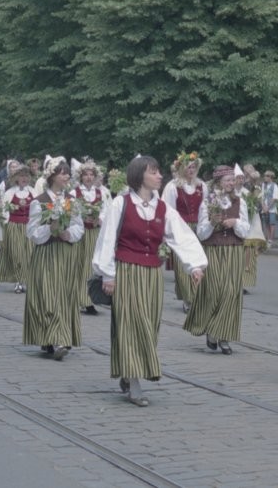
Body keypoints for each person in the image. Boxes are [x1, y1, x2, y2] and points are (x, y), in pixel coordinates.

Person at [94, 156, 207, 406]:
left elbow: (181, 236)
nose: (159, 176)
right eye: (153, 172)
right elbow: (107, 238)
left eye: (158, 172)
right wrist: (108, 274)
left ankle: (129, 371)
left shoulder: (163, 208)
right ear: (139, 176)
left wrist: (194, 265)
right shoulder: (121, 203)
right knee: (133, 324)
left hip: (152, 275)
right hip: (127, 272)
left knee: (150, 324)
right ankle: (134, 384)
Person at [185, 165, 249, 354]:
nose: (231, 183)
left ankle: (223, 336)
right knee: (213, 292)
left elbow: (246, 230)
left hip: (233, 251)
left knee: (230, 293)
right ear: (218, 183)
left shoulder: (240, 202)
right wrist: (212, 223)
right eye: (227, 180)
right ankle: (212, 331)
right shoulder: (207, 203)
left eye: (232, 180)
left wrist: (235, 222)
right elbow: (201, 233)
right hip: (212, 251)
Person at [24, 158, 84, 360]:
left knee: (64, 295)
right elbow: (32, 232)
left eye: (67, 173)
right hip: (47, 253)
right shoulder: (39, 201)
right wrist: (50, 228)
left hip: (66, 254)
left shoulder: (71, 200)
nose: (66, 176)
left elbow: (78, 226)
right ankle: (53, 338)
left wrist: (69, 234)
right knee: (49, 295)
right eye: (62, 173)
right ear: (52, 176)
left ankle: (61, 338)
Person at [161, 151, 205, 312]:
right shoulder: (173, 186)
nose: (191, 170)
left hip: (198, 228)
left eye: (193, 167)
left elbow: (205, 208)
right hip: (180, 228)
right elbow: (167, 210)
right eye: (188, 167)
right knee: (183, 264)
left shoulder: (201, 186)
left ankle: (198, 297)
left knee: (198, 262)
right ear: (181, 169)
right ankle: (189, 299)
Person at [71, 159, 111, 315]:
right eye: (85, 174)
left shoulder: (101, 193)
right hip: (80, 234)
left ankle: (88, 299)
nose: (88, 177)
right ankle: (78, 298)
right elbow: (71, 211)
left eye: (91, 174)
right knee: (79, 264)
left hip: (94, 233)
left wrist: (99, 219)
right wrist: (81, 218)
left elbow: (106, 210)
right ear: (81, 177)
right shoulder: (74, 193)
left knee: (91, 265)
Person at [0, 165, 35, 294]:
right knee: (17, 254)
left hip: (29, 227)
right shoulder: (9, 193)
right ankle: (18, 281)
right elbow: (3, 211)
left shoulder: (33, 192)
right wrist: (5, 222)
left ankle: (27, 279)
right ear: (16, 178)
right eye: (21, 176)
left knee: (29, 254)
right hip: (14, 226)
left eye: (26, 176)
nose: (24, 178)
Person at [261, 170, 278, 243]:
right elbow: (262, 196)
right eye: (264, 176)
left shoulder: (275, 186)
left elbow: (275, 198)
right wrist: (263, 206)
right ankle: (268, 237)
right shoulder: (264, 185)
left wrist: (268, 208)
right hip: (264, 207)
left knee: (272, 223)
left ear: (270, 177)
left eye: (266, 176)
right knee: (266, 223)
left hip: (271, 208)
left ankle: (271, 239)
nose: (264, 177)